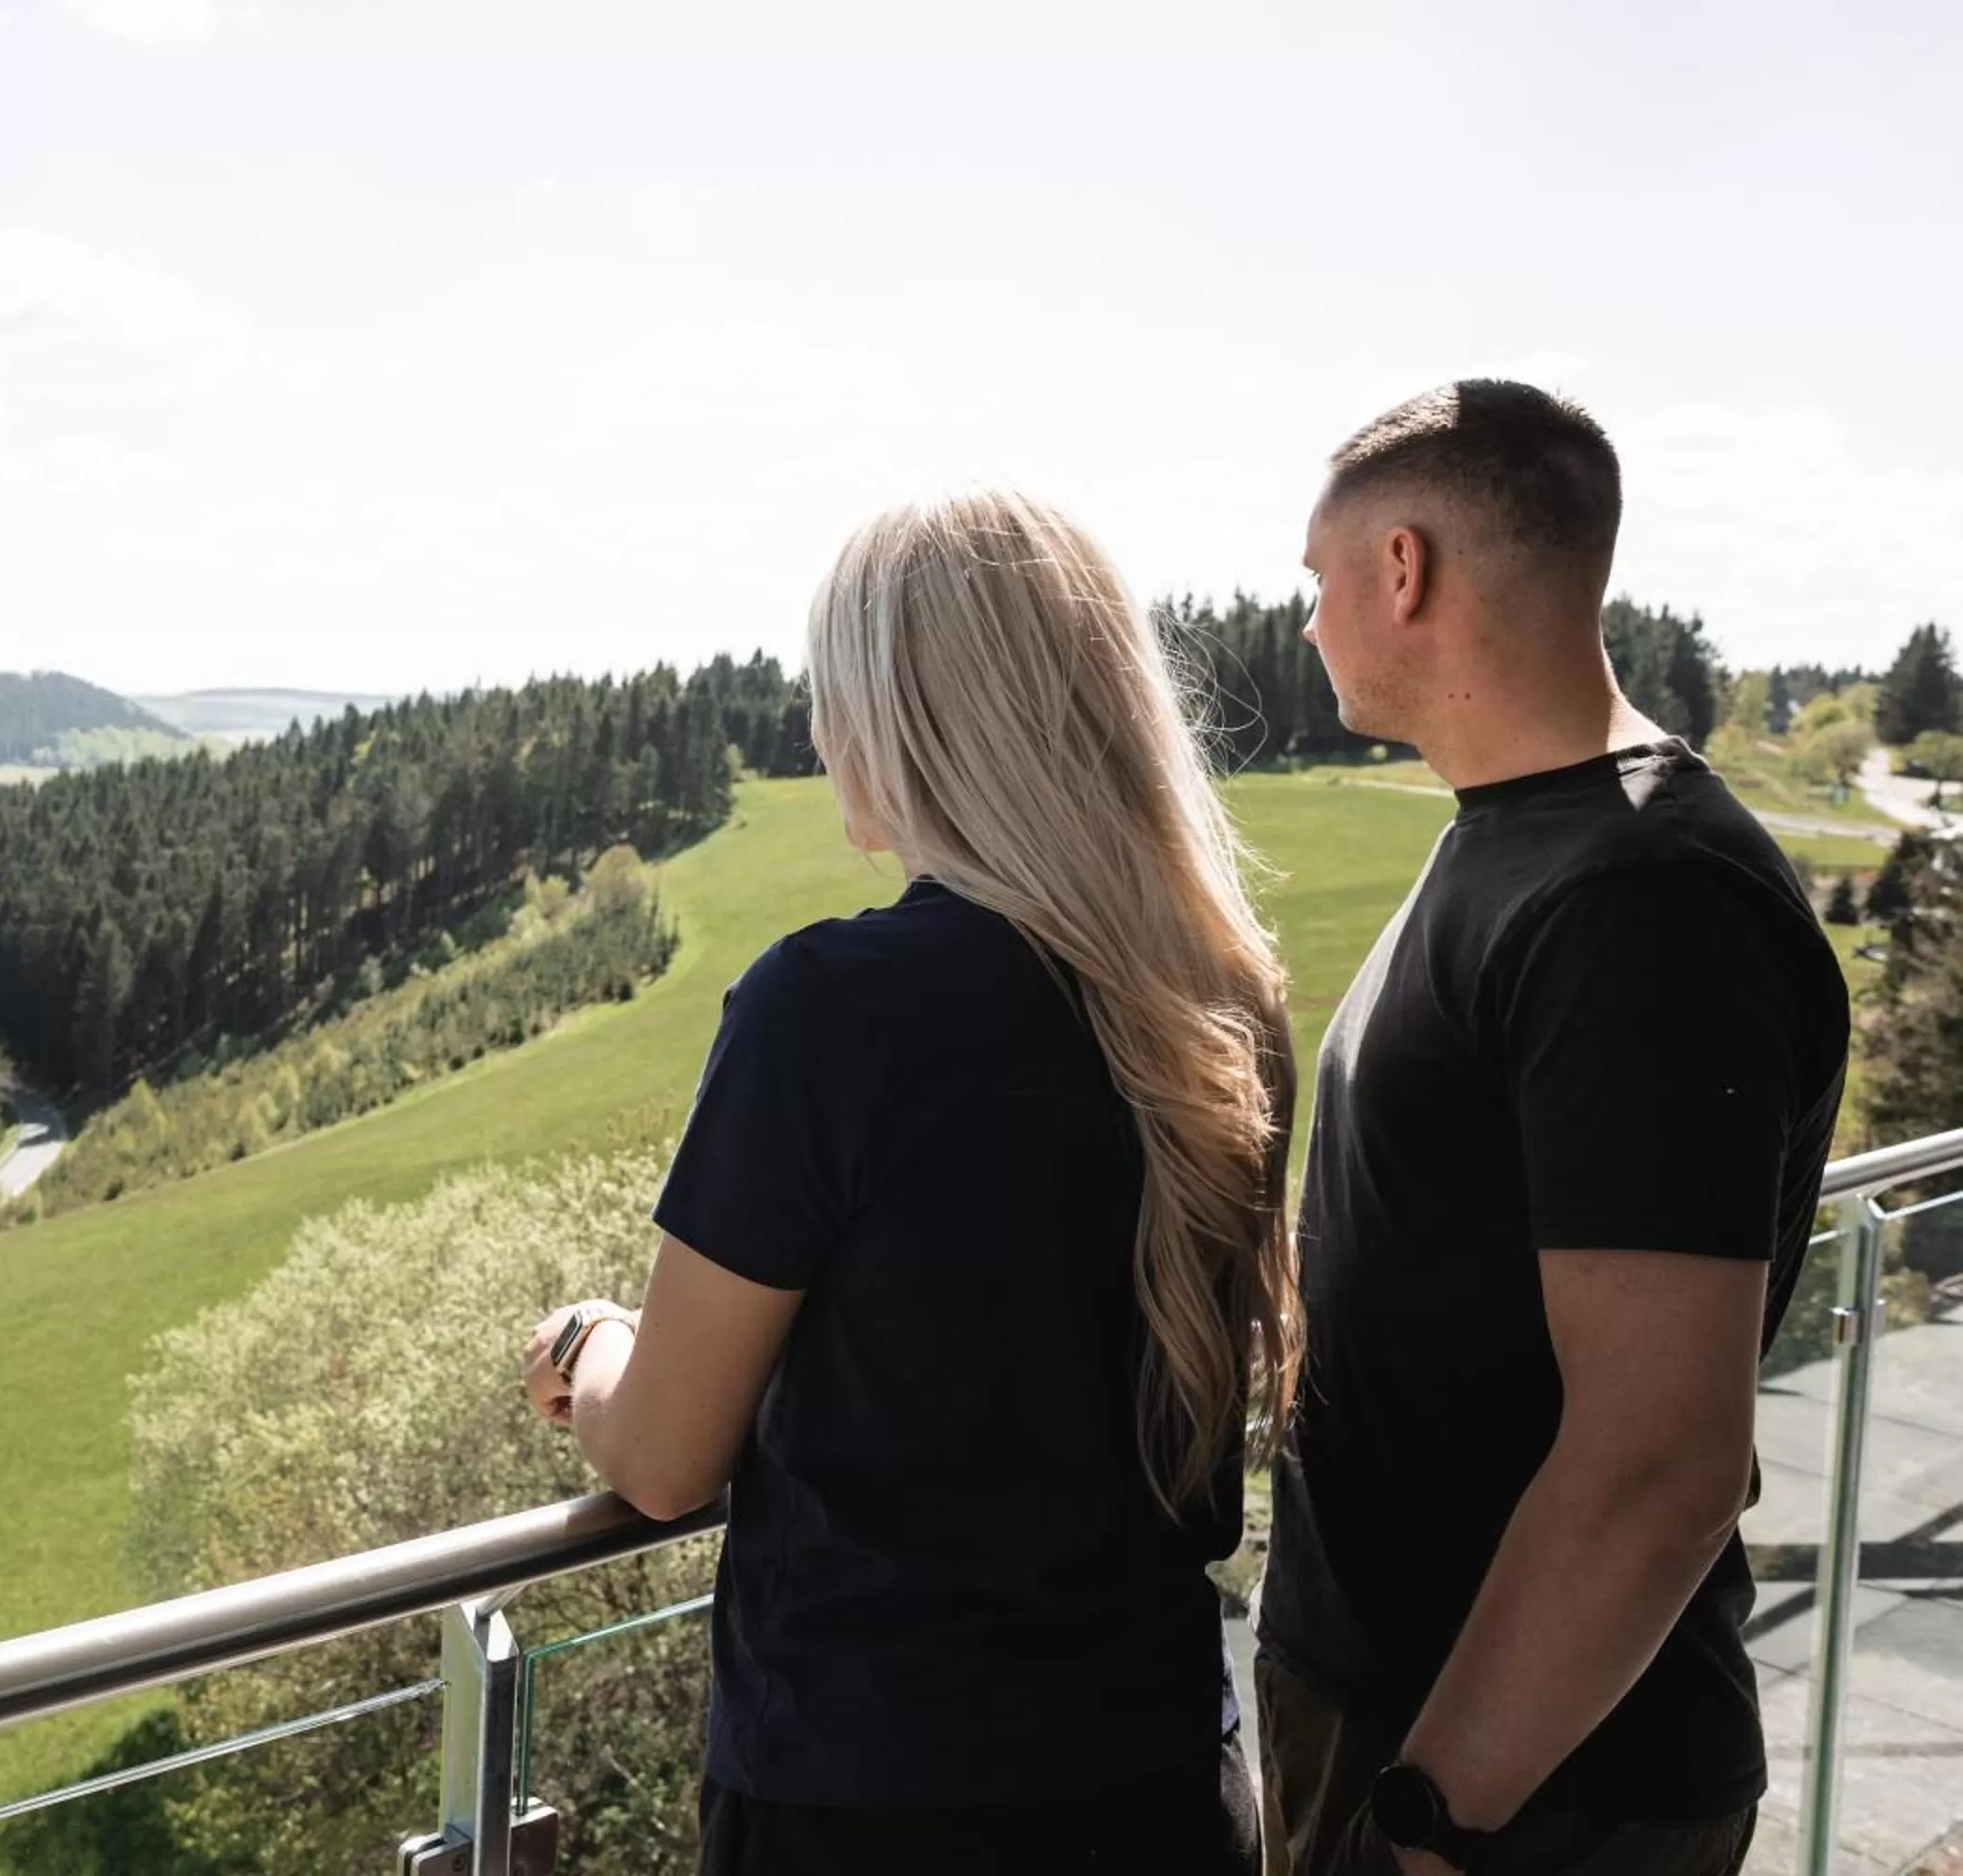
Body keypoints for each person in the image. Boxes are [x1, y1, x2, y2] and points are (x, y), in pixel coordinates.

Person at [519, 488, 1297, 1874]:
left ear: (902, 722)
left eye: (834, 691)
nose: (820, 734)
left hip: (873, 1806)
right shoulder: (1221, 1000)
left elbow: (662, 1453)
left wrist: (588, 1348)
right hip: (1164, 1784)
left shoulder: (827, 1013)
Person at [1256, 382, 1850, 1875]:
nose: (1311, 620)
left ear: (1404, 569)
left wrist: (1431, 1816)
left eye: (1317, 577)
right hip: (1424, 1730)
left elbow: (1661, 1456)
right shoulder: (1524, 845)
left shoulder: (1637, 901)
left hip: (1524, 1789)